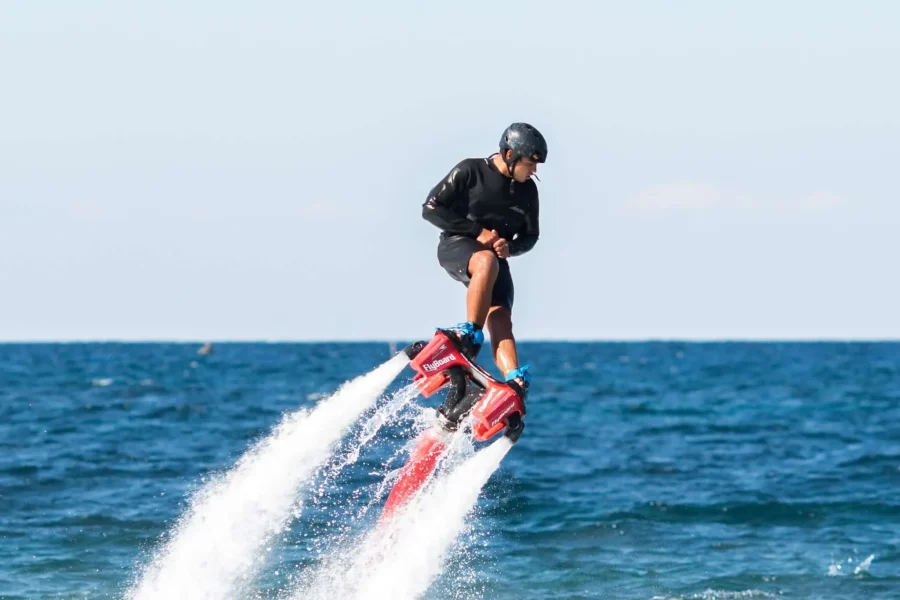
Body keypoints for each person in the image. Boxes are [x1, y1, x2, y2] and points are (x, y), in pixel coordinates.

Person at [421, 122, 546, 396]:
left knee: (501, 313)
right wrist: (477, 232)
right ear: (510, 155)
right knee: (486, 261)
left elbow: (530, 236)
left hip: (495, 257)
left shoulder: (528, 191)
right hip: (457, 245)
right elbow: (430, 209)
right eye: (530, 164)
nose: (534, 171)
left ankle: (513, 379)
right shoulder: (470, 170)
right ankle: (469, 335)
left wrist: (510, 248)